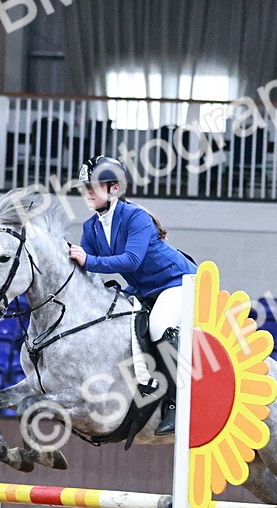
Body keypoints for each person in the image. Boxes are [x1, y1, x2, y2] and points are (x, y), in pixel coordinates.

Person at [68, 155, 196, 436]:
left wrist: (88, 260)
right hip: (143, 290)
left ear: (114, 188)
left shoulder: (136, 217)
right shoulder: (90, 227)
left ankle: (176, 403)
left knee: (160, 324)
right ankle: (144, 382)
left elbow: (131, 261)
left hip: (177, 283)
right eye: (86, 188)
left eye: (94, 187)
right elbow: (87, 273)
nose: (88, 193)